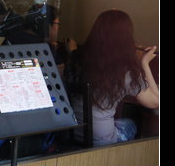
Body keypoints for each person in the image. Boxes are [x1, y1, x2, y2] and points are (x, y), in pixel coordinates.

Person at [67, 9, 159, 146]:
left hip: (70, 134)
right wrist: (144, 63)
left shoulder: (77, 60)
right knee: (130, 124)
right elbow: (155, 102)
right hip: (101, 141)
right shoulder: (125, 71)